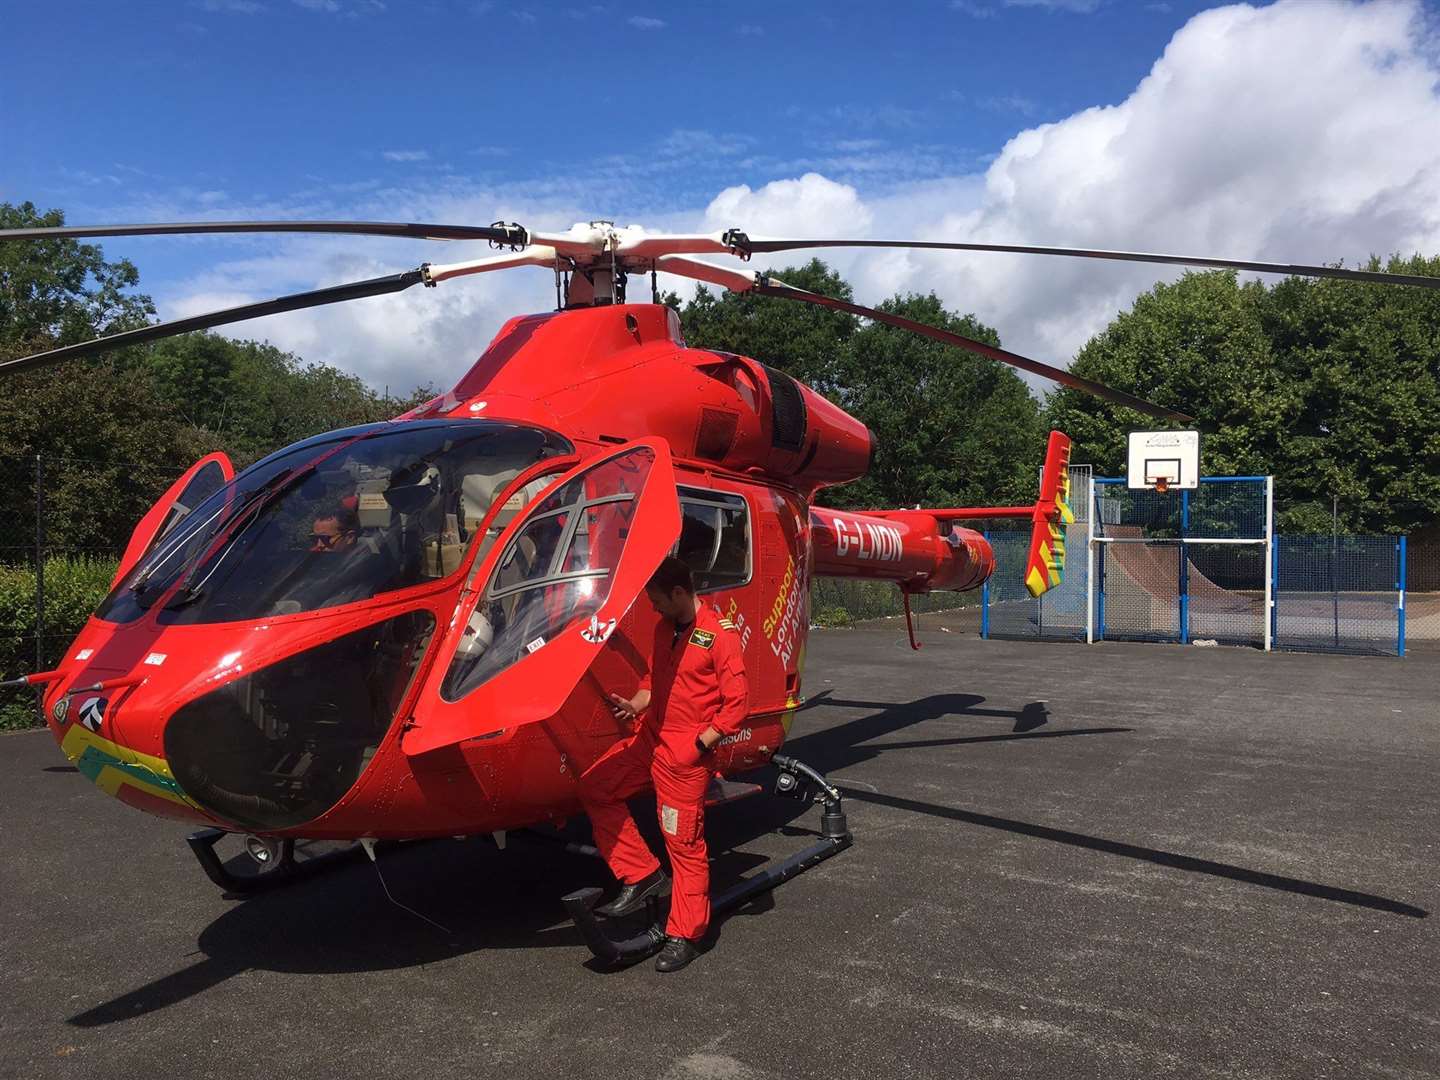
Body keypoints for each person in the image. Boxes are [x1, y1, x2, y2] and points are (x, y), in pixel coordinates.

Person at [577, 556, 749, 972]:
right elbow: (653, 682)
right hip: (649, 741)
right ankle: (641, 873)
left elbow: (737, 705)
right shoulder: (662, 629)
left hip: (683, 757)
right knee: (595, 787)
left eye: (657, 602)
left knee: (685, 848)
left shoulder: (719, 635)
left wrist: (699, 744)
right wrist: (633, 705)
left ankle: (686, 934)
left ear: (678, 593)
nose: (653, 610)